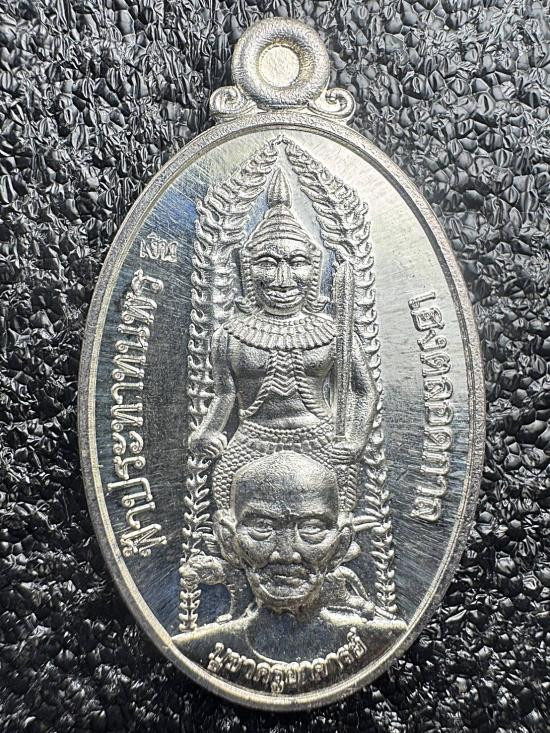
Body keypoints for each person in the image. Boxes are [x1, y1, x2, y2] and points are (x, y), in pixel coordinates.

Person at [188, 168, 376, 512]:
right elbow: (224, 395)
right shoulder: (230, 336)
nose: (282, 278)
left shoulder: (334, 333)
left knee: (333, 515)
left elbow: (362, 391)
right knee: (232, 508)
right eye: (268, 263)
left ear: (313, 271)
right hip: (251, 441)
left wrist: (355, 441)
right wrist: (206, 433)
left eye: (296, 263)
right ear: (248, 270)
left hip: (321, 441)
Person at [173, 452, 405, 683]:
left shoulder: (385, 638)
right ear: (228, 540)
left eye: (311, 528)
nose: (286, 554)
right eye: (262, 526)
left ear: (341, 545)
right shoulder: (193, 647)